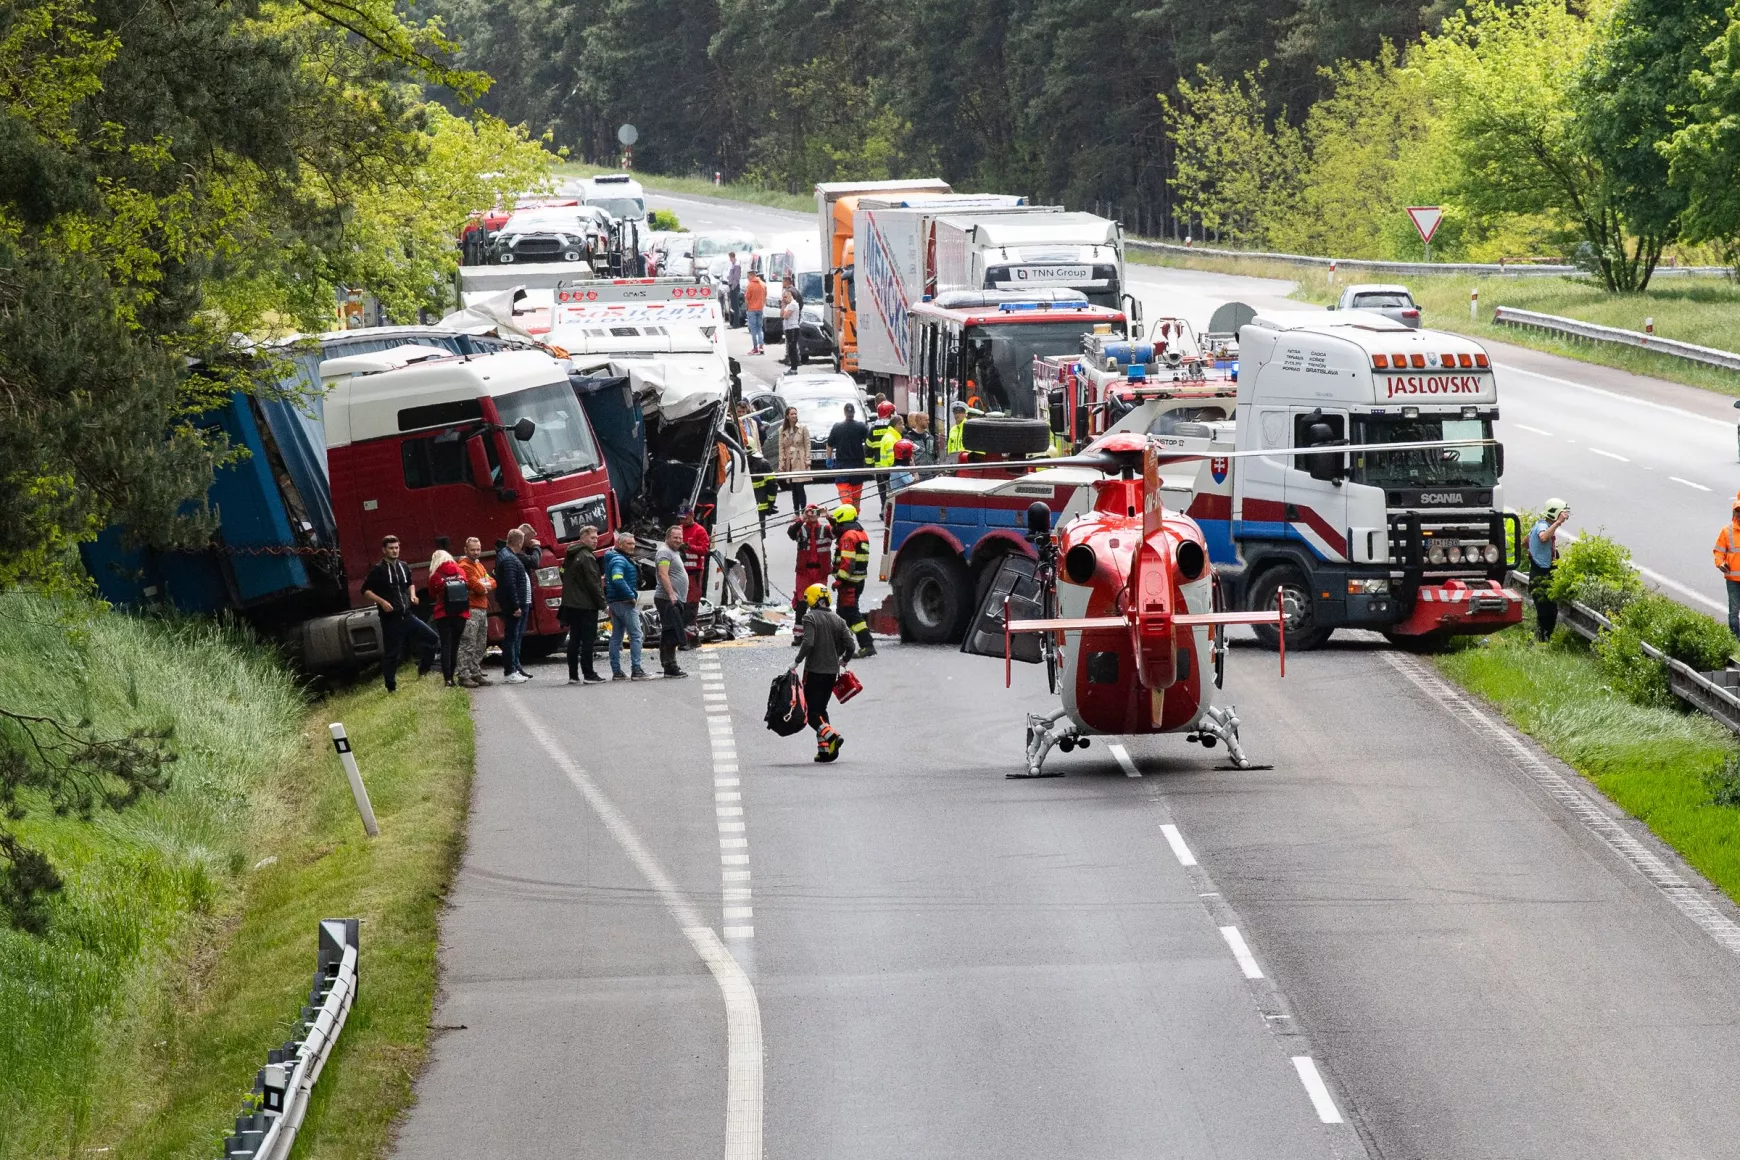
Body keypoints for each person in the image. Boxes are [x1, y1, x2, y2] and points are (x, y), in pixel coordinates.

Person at [361, 535, 438, 693]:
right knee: (392, 654)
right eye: (391, 548)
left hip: (408, 615)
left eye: (396, 547)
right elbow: (365, 590)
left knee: (432, 638)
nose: (395, 551)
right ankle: (391, 686)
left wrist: (413, 595)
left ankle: (423, 670)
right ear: (384, 550)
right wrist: (381, 602)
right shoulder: (378, 570)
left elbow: (410, 583)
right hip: (391, 619)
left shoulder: (403, 566)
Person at [794, 583, 855, 762]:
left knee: (810, 713)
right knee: (821, 710)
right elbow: (851, 645)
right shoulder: (839, 620)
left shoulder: (809, 618)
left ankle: (831, 736)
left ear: (812, 599)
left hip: (814, 672)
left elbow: (808, 643)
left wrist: (796, 661)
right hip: (831, 674)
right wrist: (843, 660)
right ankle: (826, 751)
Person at [561, 525, 607, 685]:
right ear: (583, 537)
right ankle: (589, 673)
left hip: (572, 604)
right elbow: (593, 583)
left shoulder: (571, 554)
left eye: (596, 538)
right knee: (588, 639)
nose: (596, 541)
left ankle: (573, 675)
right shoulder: (586, 556)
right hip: (586, 604)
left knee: (574, 639)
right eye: (593, 538)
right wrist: (603, 604)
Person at [830, 504, 875, 657]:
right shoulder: (860, 533)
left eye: (836, 522)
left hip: (848, 582)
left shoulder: (848, 536)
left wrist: (839, 580)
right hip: (858, 580)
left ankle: (867, 644)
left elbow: (847, 562)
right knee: (843, 613)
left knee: (850, 613)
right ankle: (841, 646)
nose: (834, 526)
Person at [603, 532, 648, 680]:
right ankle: (636, 670)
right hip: (625, 603)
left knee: (616, 637)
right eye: (629, 544)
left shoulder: (614, 558)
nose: (632, 546)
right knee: (636, 636)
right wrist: (630, 595)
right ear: (620, 544)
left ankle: (616, 672)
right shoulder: (619, 560)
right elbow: (617, 578)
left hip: (615, 603)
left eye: (633, 543)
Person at [1527, 498, 1570, 642]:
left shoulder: (1538, 525)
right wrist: (1558, 523)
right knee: (1546, 612)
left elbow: (1525, 541)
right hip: (1540, 576)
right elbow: (1544, 537)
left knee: (1550, 611)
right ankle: (1541, 641)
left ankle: (1541, 640)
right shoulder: (1542, 527)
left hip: (1543, 574)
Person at [789, 505, 833, 644]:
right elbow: (791, 533)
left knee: (820, 603)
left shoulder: (825, 529)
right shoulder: (800, 528)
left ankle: (820, 634)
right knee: (802, 602)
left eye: (815, 512)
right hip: (804, 572)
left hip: (820, 572)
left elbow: (837, 532)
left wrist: (829, 516)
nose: (812, 515)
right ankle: (799, 635)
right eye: (810, 512)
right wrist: (802, 518)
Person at [427, 549, 470, 687]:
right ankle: (454, 674)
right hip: (461, 614)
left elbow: (432, 594)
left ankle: (448, 679)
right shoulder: (461, 572)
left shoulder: (435, 576)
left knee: (446, 645)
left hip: (443, 614)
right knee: (456, 646)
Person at [495, 529, 534, 683]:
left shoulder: (506, 555)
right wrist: (516, 605)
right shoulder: (509, 558)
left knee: (514, 636)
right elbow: (510, 584)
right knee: (511, 637)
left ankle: (514, 668)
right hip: (515, 605)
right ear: (519, 542)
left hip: (516, 603)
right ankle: (510, 671)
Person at [456, 537, 496, 687]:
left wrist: (485, 584)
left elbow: (492, 581)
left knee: (481, 643)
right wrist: (484, 585)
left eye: (478, 549)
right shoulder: (465, 566)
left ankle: (475, 672)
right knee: (468, 643)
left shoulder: (479, 565)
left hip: (482, 607)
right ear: (466, 550)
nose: (476, 552)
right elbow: (477, 587)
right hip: (471, 608)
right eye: (473, 550)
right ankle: (463, 674)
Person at [655, 525, 691, 678]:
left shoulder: (673, 552)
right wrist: (671, 594)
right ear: (667, 537)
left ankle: (668, 664)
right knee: (672, 633)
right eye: (675, 537)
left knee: (669, 631)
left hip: (672, 598)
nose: (678, 540)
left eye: (680, 538)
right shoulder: (664, 552)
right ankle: (670, 667)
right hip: (667, 598)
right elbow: (663, 575)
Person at [826, 402, 870, 511]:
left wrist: (829, 458)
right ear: (853, 413)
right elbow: (869, 443)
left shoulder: (837, 427)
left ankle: (850, 514)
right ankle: (853, 515)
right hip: (857, 465)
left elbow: (830, 444)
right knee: (856, 496)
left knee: (846, 495)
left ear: (844, 413)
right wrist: (869, 459)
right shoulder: (861, 427)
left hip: (842, 465)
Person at [680, 504, 710, 639]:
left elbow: (704, 550)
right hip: (681, 571)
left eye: (685, 518)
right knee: (681, 599)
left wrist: (690, 547)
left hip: (695, 571)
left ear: (692, 516)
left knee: (692, 599)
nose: (682, 521)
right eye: (680, 519)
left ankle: (691, 626)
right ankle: (682, 625)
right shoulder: (678, 530)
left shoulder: (700, 531)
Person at [776, 405, 811, 514]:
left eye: (795, 413)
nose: (794, 416)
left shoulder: (803, 427)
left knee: (800, 487)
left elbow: (807, 444)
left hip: (800, 460)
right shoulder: (782, 429)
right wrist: (781, 463)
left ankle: (804, 511)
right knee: (794, 489)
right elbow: (781, 447)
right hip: (789, 461)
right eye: (792, 414)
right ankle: (796, 512)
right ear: (787, 416)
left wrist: (807, 459)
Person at [1715, 493, 1740, 638]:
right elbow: (1718, 552)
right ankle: (1736, 641)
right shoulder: (1727, 532)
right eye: (1738, 511)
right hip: (1733, 581)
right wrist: (1721, 563)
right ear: (1734, 512)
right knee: (1734, 614)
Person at [744, 268, 767, 354]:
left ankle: (755, 347)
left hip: (752, 309)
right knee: (759, 328)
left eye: (748, 276)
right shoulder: (763, 284)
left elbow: (747, 298)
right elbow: (765, 297)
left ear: (751, 275)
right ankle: (761, 346)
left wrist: (747, 307)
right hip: (760, 309)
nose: (747, 278)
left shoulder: (750, 285)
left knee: (753, 329)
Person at [781, 287, 802, 370]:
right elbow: (782, 314)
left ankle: (794, 367)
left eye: (786, 297)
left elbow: (786, 316)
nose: (784, 299)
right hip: (788, 328)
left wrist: (785, 313)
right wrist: (783, 305)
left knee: (792, 348)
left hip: (793, 328)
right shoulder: (788, 305)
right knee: (790, 348)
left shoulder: (793, 304)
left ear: (791, 295)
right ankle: (793, 367)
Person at [725, 251, 744, 326]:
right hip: (732, 286)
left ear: (732, 257)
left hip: (734, 287)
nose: (729, 259)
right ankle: (734, 323)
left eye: (730, 258)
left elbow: (736, 278)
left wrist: (733, 287)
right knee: (733, 306)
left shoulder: (736, 265)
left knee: (736, 306)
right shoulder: (733, 264)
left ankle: (736, 323)